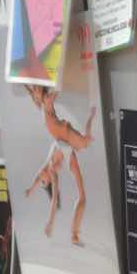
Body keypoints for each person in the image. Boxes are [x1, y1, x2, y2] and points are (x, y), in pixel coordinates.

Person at [23, 85, 97, 245]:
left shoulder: (47, 170)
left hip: (62, 142)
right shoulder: (52, 174)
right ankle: (74, 235)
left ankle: (74, 235)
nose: (44, 177)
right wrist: (50, 222)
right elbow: (54, 198)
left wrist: (31, 189)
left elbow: (39, 179)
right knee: (83, 196)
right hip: (67, 150)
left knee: (85, 141)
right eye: (45, 180)